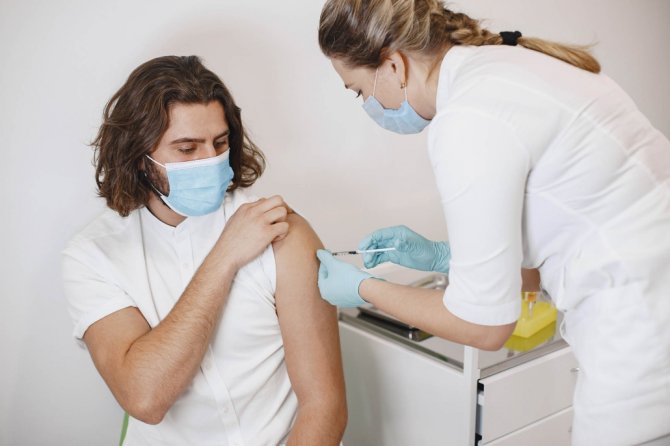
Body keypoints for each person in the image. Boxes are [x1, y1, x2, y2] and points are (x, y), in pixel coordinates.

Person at [314, 1, 670, 445]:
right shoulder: (512, 66)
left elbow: (485, 326)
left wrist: (362, 288)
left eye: (358, 90)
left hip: (643, 339)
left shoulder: (469, 118)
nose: (367, 103)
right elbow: (544, 249)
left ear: (392, 65)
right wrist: (444, 257)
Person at [62, 55, 346, 445]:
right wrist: (225, 256)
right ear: (139, 157)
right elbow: (144, 397)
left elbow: (324, 405)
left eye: (220, 142)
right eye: (186, 149)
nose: (210, 161)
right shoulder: (92, 256)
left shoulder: (282, 232)